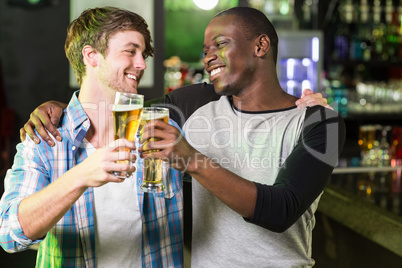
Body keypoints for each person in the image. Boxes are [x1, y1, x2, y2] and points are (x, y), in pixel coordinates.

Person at [18, 7, 340, 268]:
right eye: (205, 50)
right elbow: (107, 110)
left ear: (260, 46)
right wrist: (57, 108)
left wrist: (190, 160)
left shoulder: (321, 122)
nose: (209, 56)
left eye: (220, 44)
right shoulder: (195, 104)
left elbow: (280, 210)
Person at [0, 7, 183, 267]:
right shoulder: (45, 137)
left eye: (143, 54)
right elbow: (9, 235)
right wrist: (81, 176)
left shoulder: (162, 130)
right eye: (130, 51)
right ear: (91, 55)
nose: (142, 64)